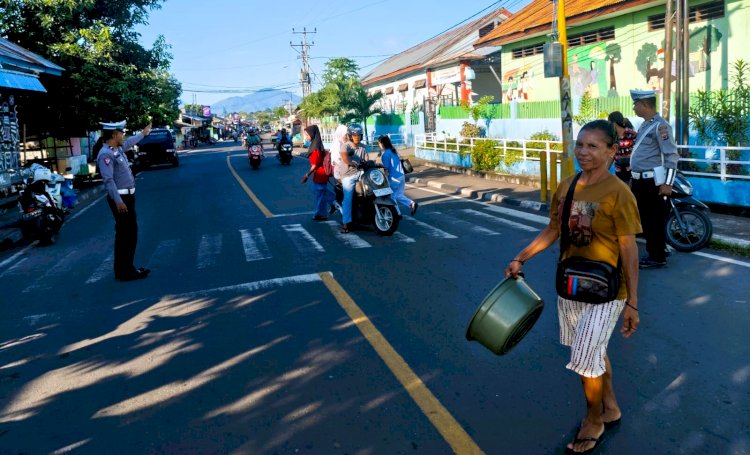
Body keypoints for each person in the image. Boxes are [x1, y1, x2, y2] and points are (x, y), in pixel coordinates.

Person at [505, 120, 642, 454]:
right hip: (571, 285)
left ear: (611, 151)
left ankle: (594, 420)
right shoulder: (567, 186)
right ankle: (610, 407)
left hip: (609, 290)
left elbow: (628, 248)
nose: (584, 152)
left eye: (593, 146)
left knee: (584, 359)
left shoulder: (618, 193)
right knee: (592, 352)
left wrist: (633, 303)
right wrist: (521, 257)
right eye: (580, 144)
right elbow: (554, 229)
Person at [629, 90, 679, 269]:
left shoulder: (661, 126)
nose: (634, 108)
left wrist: (668, 183)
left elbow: (671, 155)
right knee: (644, 219)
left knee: (653, 220)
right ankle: (658, 249)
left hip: (652, 182)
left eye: (636, 104)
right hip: (640, 181)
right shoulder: (645, 125)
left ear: (644, 104)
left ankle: (657, 256)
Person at [97, 120, 152, 281]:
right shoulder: (106, 154)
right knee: (125, 235)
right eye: (122, 133)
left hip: (127, 197)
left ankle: (127, 268)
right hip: (121, 199)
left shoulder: (117, 149)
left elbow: (129, 142)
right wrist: (118, 201)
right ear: (114, 135)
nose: (124, 136)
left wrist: (143, 133)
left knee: (129, 234)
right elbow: (108, 181)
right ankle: (124, 271)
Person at [335, 123, 368, 234]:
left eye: (359, 135)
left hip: (361, 173)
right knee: (348, 198)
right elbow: (345, 158)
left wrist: (371, 164)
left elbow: (366, 159)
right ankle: (346, 223)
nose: (357, 137)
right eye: (354, 135)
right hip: (348, 175)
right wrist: (352, 163)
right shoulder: (346, 146)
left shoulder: (363, 147)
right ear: (349, 135)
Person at [300, 125, 335, 220]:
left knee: (320, 193)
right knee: (321, 192)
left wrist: (306, 175)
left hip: (320, 174)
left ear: (312, 134)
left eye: (307, 135)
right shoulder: (316, 146)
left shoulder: (316, 149)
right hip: (320, 174)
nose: (306, 137)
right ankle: (333, 203)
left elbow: (314, 165)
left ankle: (321, 213)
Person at [378, 135, 417, 217]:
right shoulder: (393, 151)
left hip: (394, 178)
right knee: (398, 195)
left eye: (378, 143)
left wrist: (383, 181)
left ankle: (397, 214)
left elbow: (386, 169)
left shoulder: (385, 154)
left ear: (382, 144)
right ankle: (411, 203)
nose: (378, 145)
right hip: (402, 176)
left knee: (391, 196)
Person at [607, 111, 637, 183]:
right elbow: (612, 156)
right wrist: (604, 171)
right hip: (619, 174)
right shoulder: (613, 137)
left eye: (609, 123)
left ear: (614, 123)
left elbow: (639, 152)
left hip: (632, 174)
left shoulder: (631, 134)